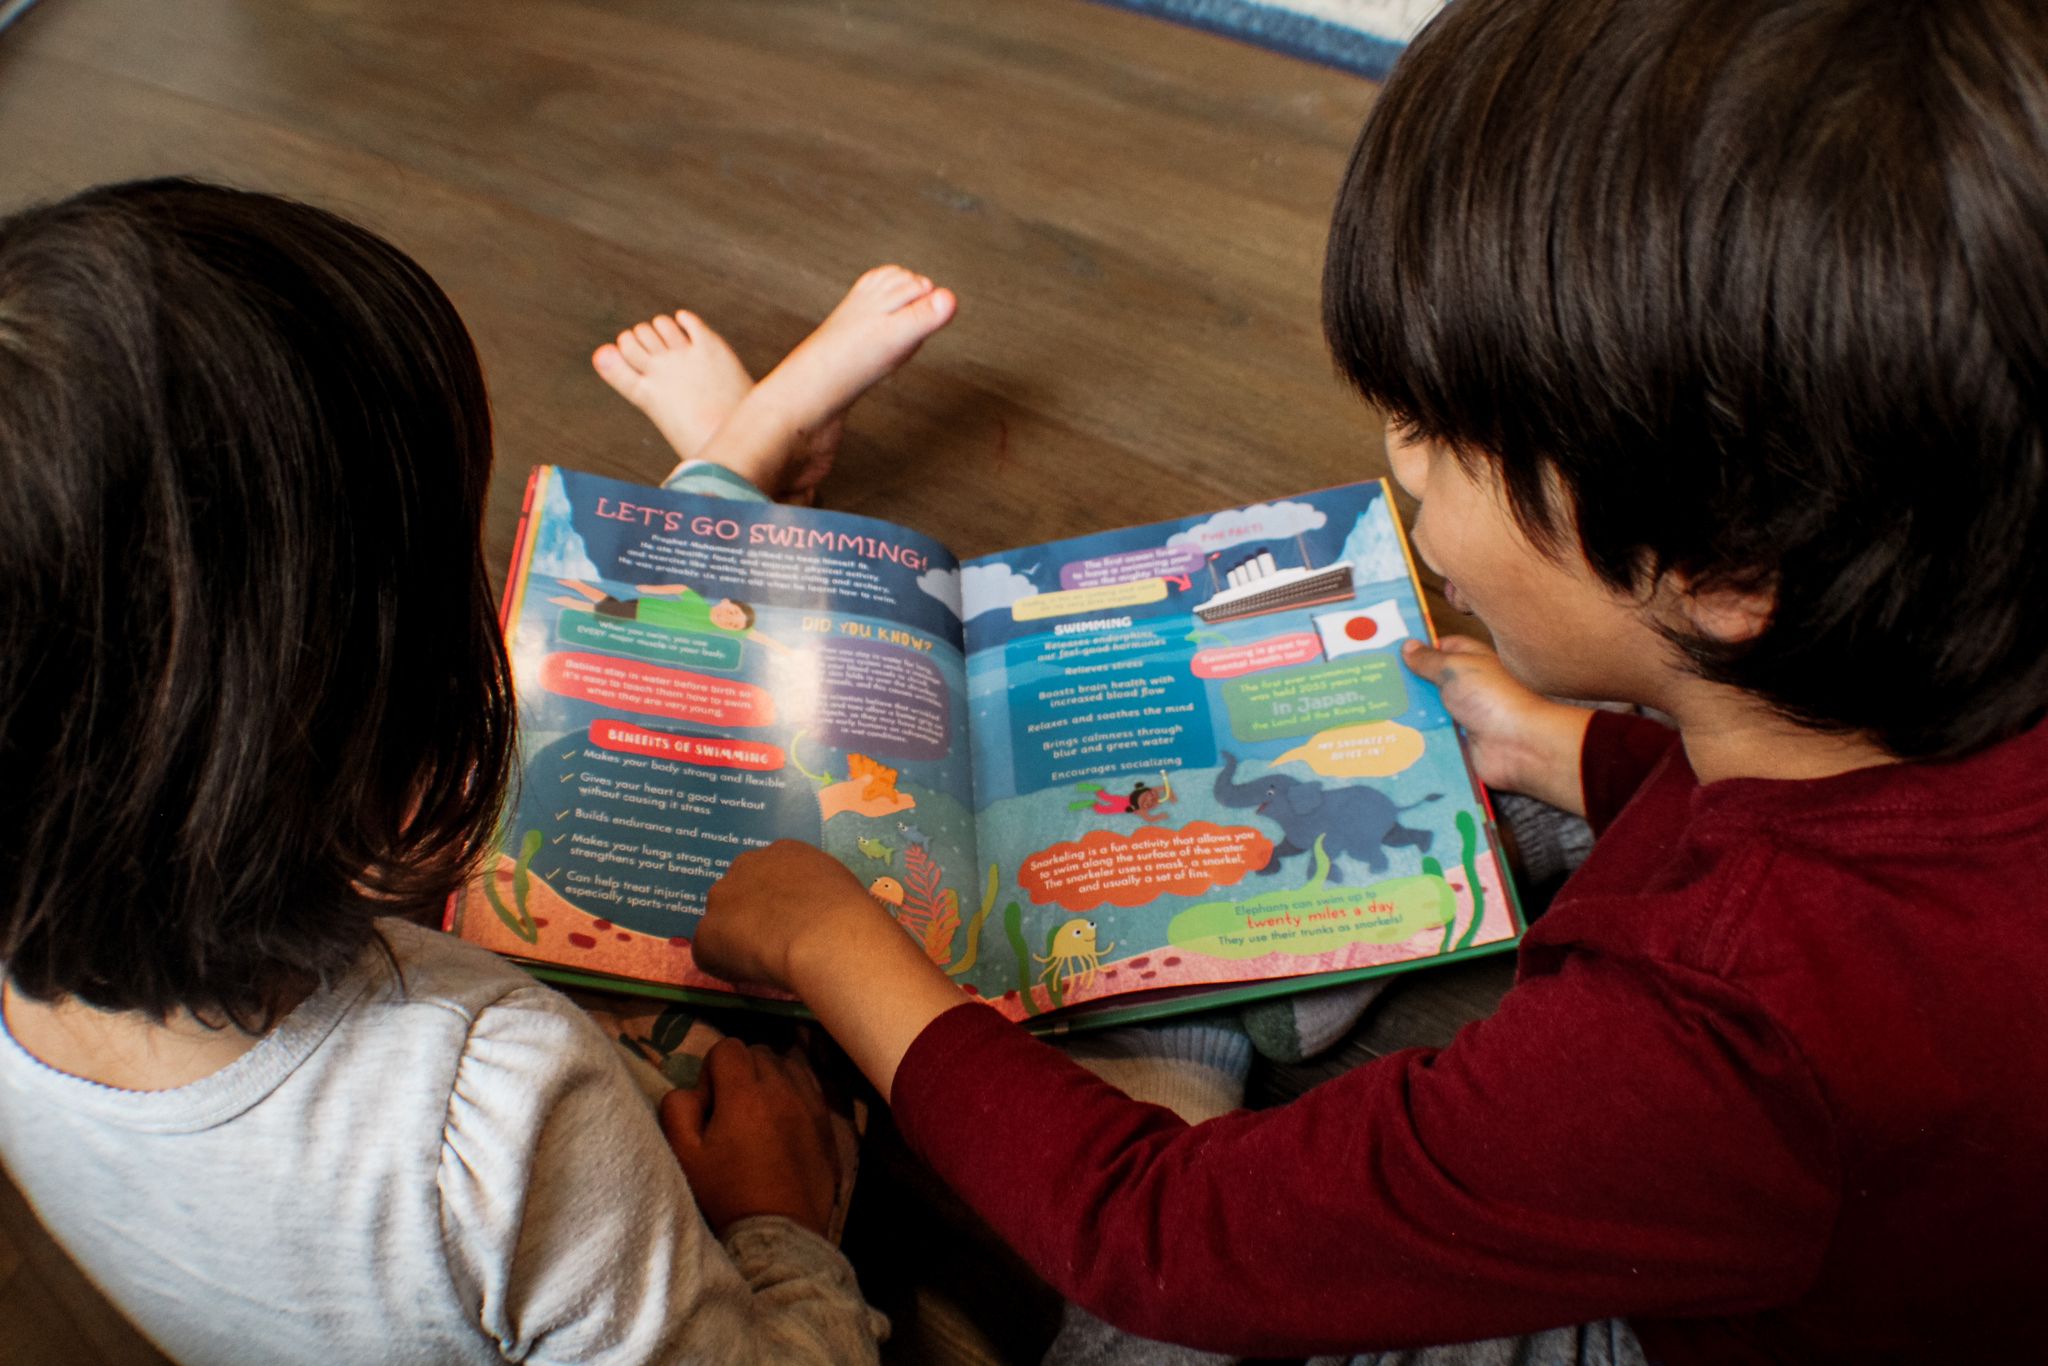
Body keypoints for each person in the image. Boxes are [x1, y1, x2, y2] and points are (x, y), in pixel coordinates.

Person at [672, 0, 2048, 1361]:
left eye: (1443, 436)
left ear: (1732, 567)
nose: (1399, 457)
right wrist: (1577, 752)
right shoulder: (1937, 648)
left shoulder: (1718, 1041)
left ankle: (1174, 1051)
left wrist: (831, 944)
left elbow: (1163, 1237)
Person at [0, 177, 945, 1363]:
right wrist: (780, 1227)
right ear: (344, 738)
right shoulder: (509, 1112)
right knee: (601, 700)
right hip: (627, 1190)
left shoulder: (53, 905)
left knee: (611, 682)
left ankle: (737, 457)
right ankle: (726, 471)